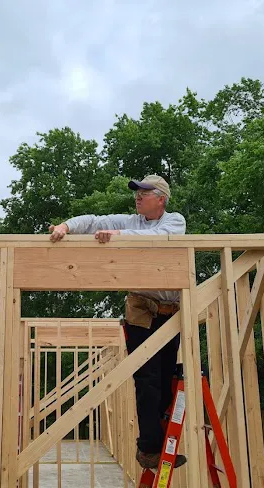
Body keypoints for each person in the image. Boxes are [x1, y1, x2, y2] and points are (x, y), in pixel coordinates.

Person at [49, 174, 187, 470]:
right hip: (141, 310)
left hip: (170, 312)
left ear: (160, 198)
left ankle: (161, 445)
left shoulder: (175, 221)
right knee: (147, 379)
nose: (137, 197)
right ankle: (149, 448)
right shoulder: (131, 221)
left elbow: (159, 240)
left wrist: (117, 236)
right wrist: (66, 226)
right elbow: (94, 221)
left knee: (165, 380)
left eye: (143, 193)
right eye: (136, 193)